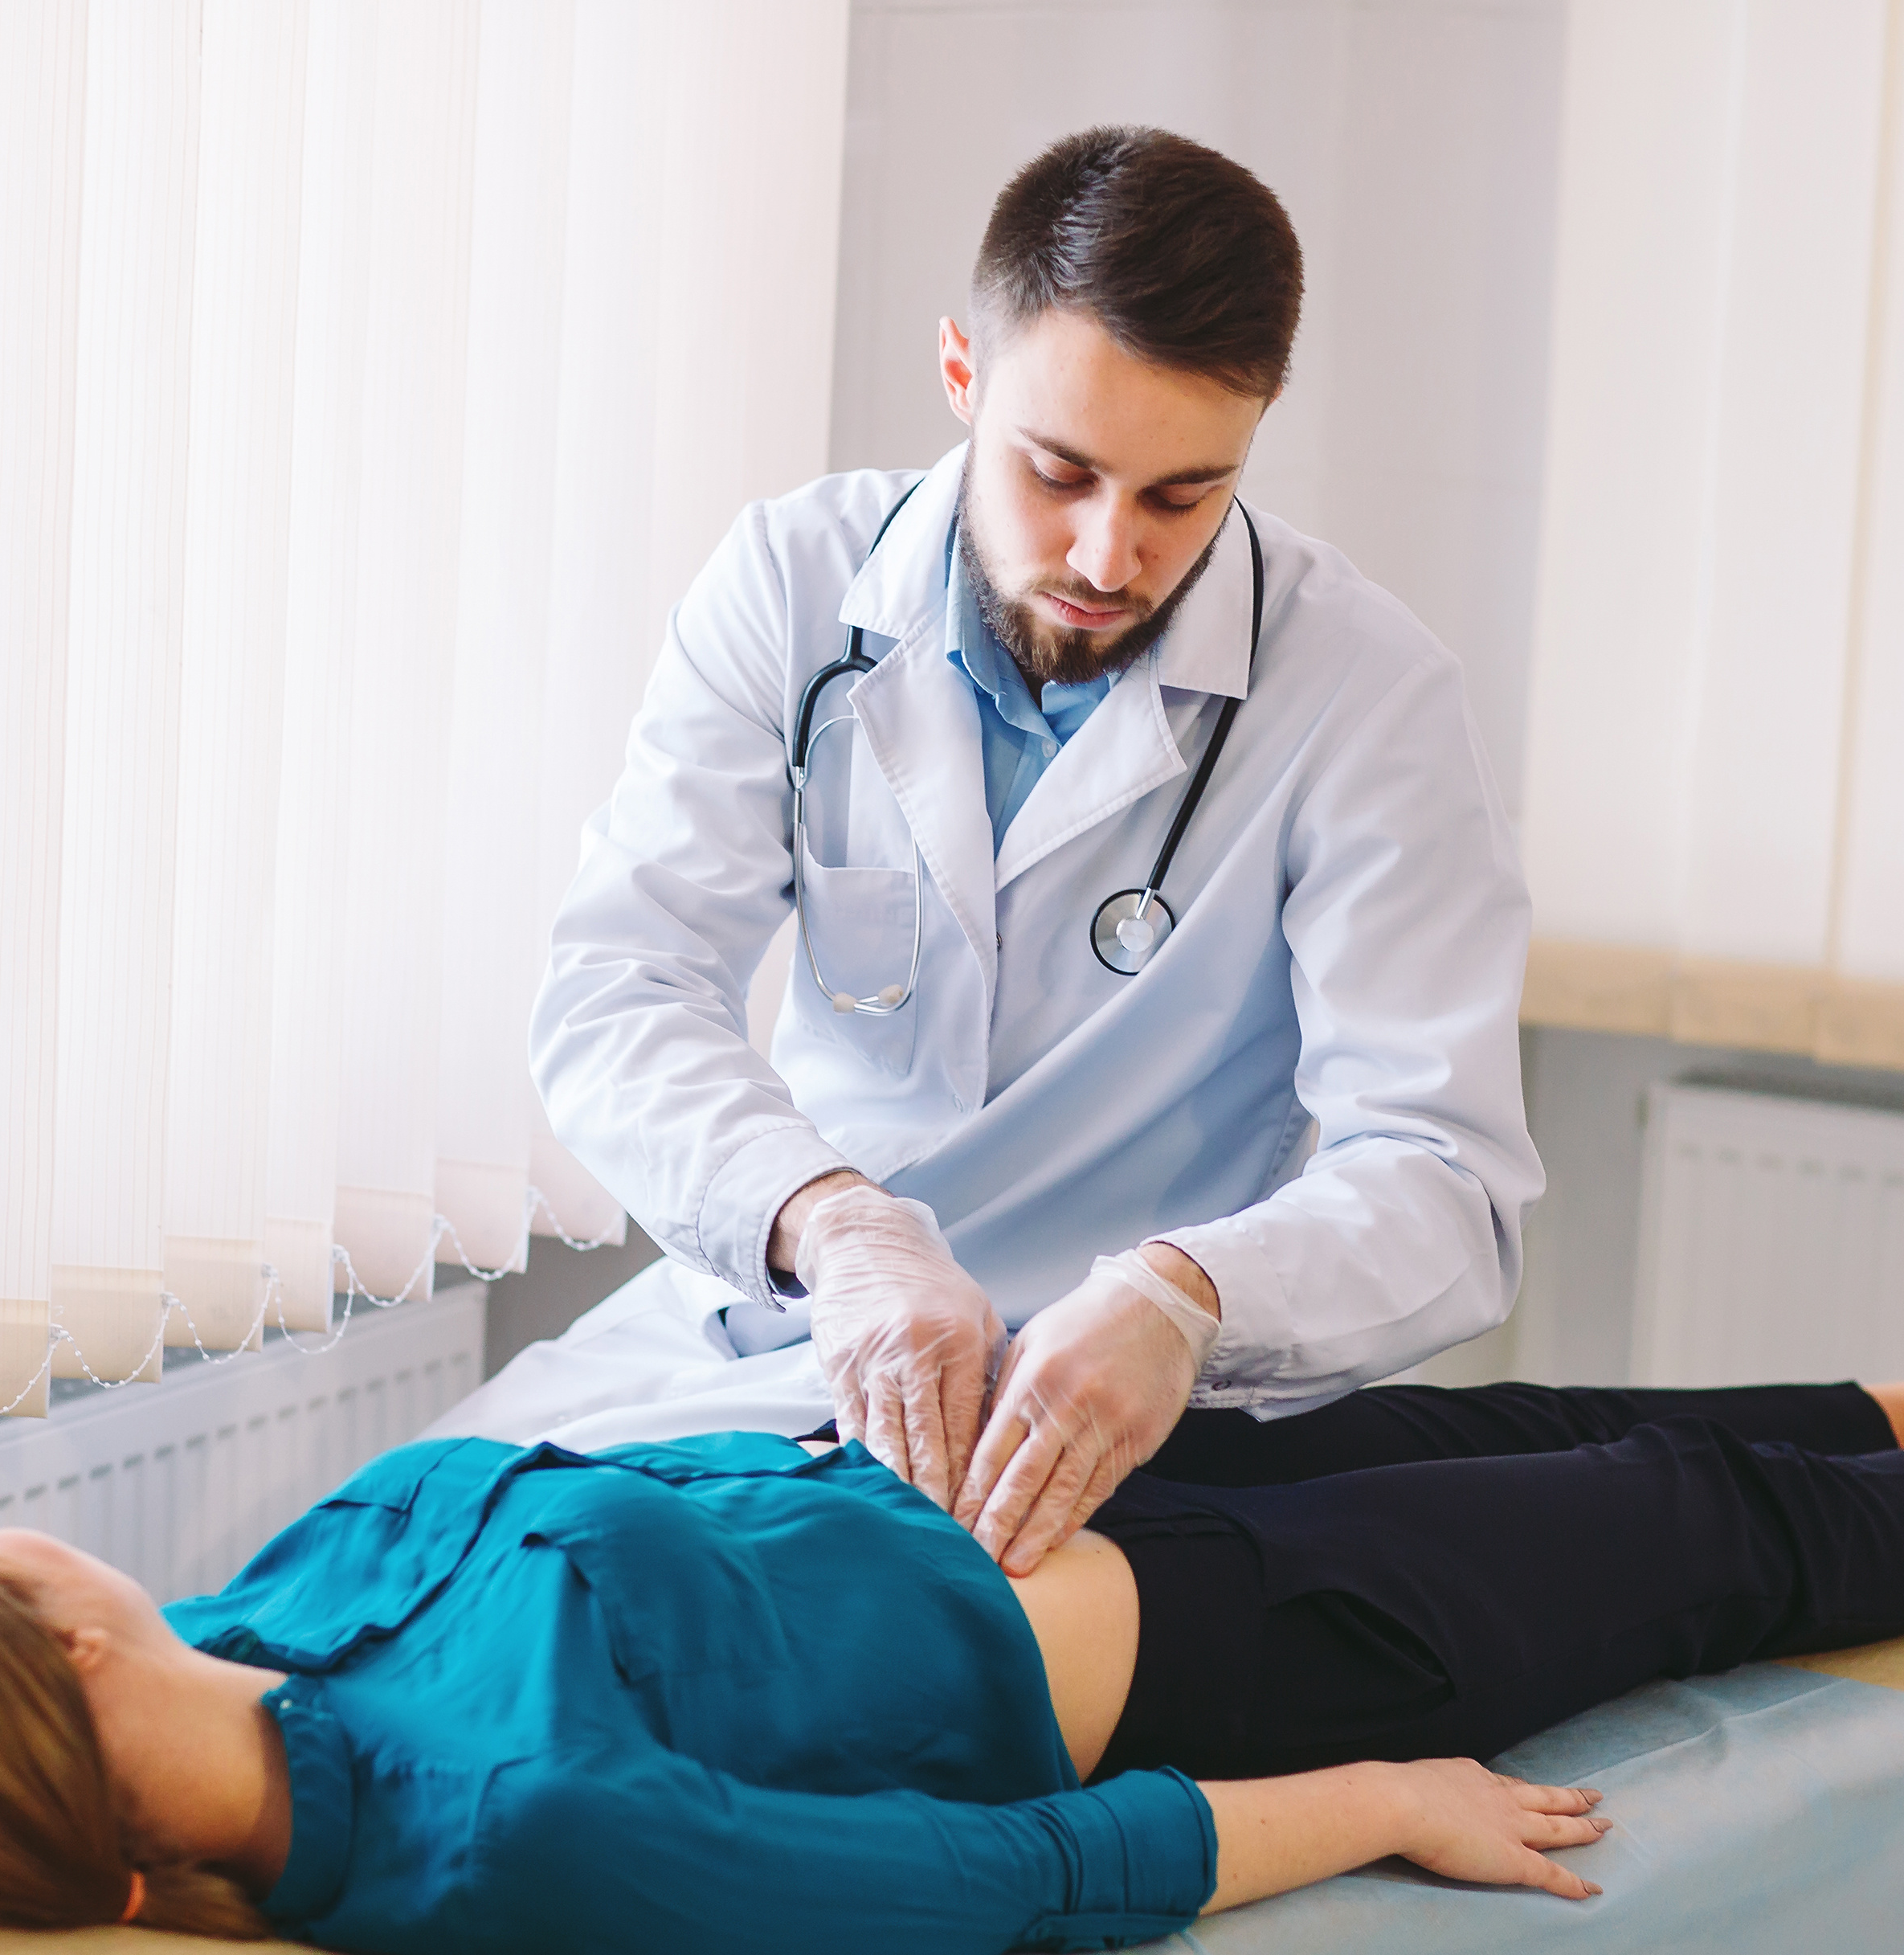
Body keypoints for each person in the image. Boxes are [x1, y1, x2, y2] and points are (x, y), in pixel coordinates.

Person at [0, 1262, 1904, 1953]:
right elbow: (1003, 1886)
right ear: (41, 1648)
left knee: (1525, 1422)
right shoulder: (507, 1841)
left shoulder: (241, 1626)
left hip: (1043, 1477)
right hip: (1243, 1646)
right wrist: (1379, 1798)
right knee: (1693, 1540)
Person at [468, 124, 1541, 1576]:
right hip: (777, 1320)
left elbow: (1441, 1175)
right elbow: (621, 990)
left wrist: (1188, 1295)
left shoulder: (1367, 693)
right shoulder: (793, 585)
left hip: (1098, 1412)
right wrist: (834, 1223)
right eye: (1061, 471)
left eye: (1183, 496)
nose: (1111, 557)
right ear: (964, 373)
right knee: (383, 1559)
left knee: (653, 1634)